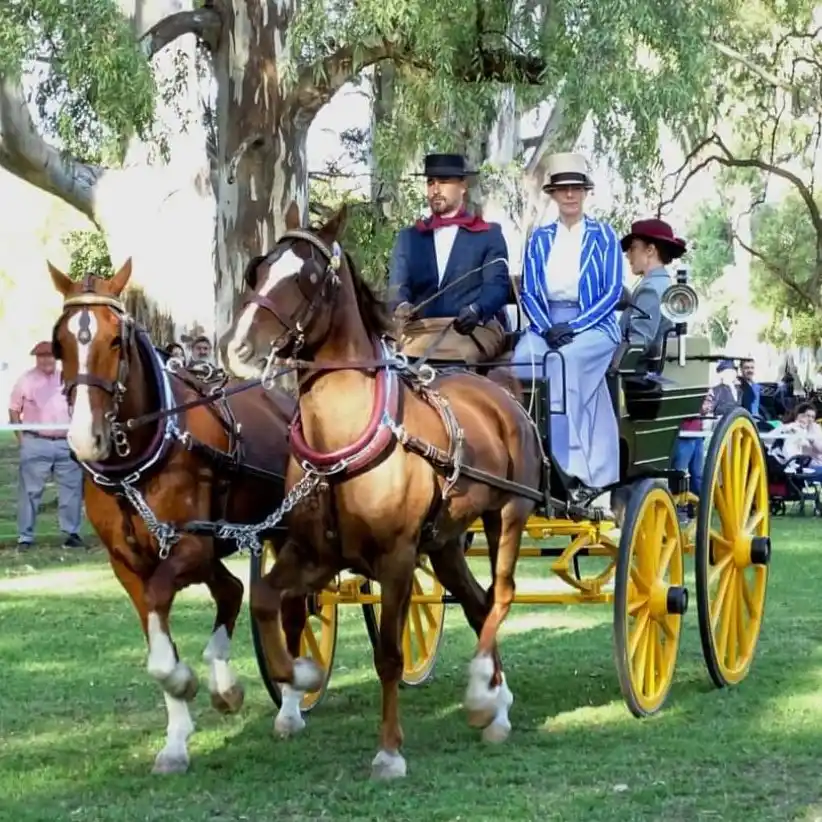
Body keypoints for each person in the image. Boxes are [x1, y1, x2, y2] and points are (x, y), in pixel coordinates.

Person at [512, 152, 624, 489]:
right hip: (546, 324)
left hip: (594, 325)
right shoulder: (539, 239)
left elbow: (612, 291)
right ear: (553, 194)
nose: (570, 195)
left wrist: (573, 327)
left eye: (576, 188)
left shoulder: (603, 236)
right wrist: (547, 327)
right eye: (563, 190)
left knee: (562, 362)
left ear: (586, 192)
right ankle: (523, 455)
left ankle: (567, 464)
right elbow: (530, 291)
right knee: (521, 361)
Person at [387, 153, 510, 363]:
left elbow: (496, 288)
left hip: (473, 329)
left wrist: (477, 310)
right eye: (430, 182)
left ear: (463, 186)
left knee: (453, 361)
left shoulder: (489, 234)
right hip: (420, 329)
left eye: (443, 181)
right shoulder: (409, 237)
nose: (435, 189)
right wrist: (401, 306)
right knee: (393, 362)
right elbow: (398, 286)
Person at [7, 341, 85, 550]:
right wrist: (21, 438)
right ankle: (25, 537)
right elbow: (14, 409)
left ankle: (72, 534)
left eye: (49, 356)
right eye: (41, 356)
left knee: (71, 491)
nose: (46, 360)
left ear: (56, 357)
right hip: (36, 441)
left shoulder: (66, 378)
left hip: (64, 443)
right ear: (36, 358)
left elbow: (78, 406)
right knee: (30, 492)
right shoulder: (26, 380)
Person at [619, 218, 687, 346]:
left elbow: (638, 343)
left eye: (633, 248)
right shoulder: (664, 284)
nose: (628, 255)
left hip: (640, 366)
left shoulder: (650, 289)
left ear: (650, 250)